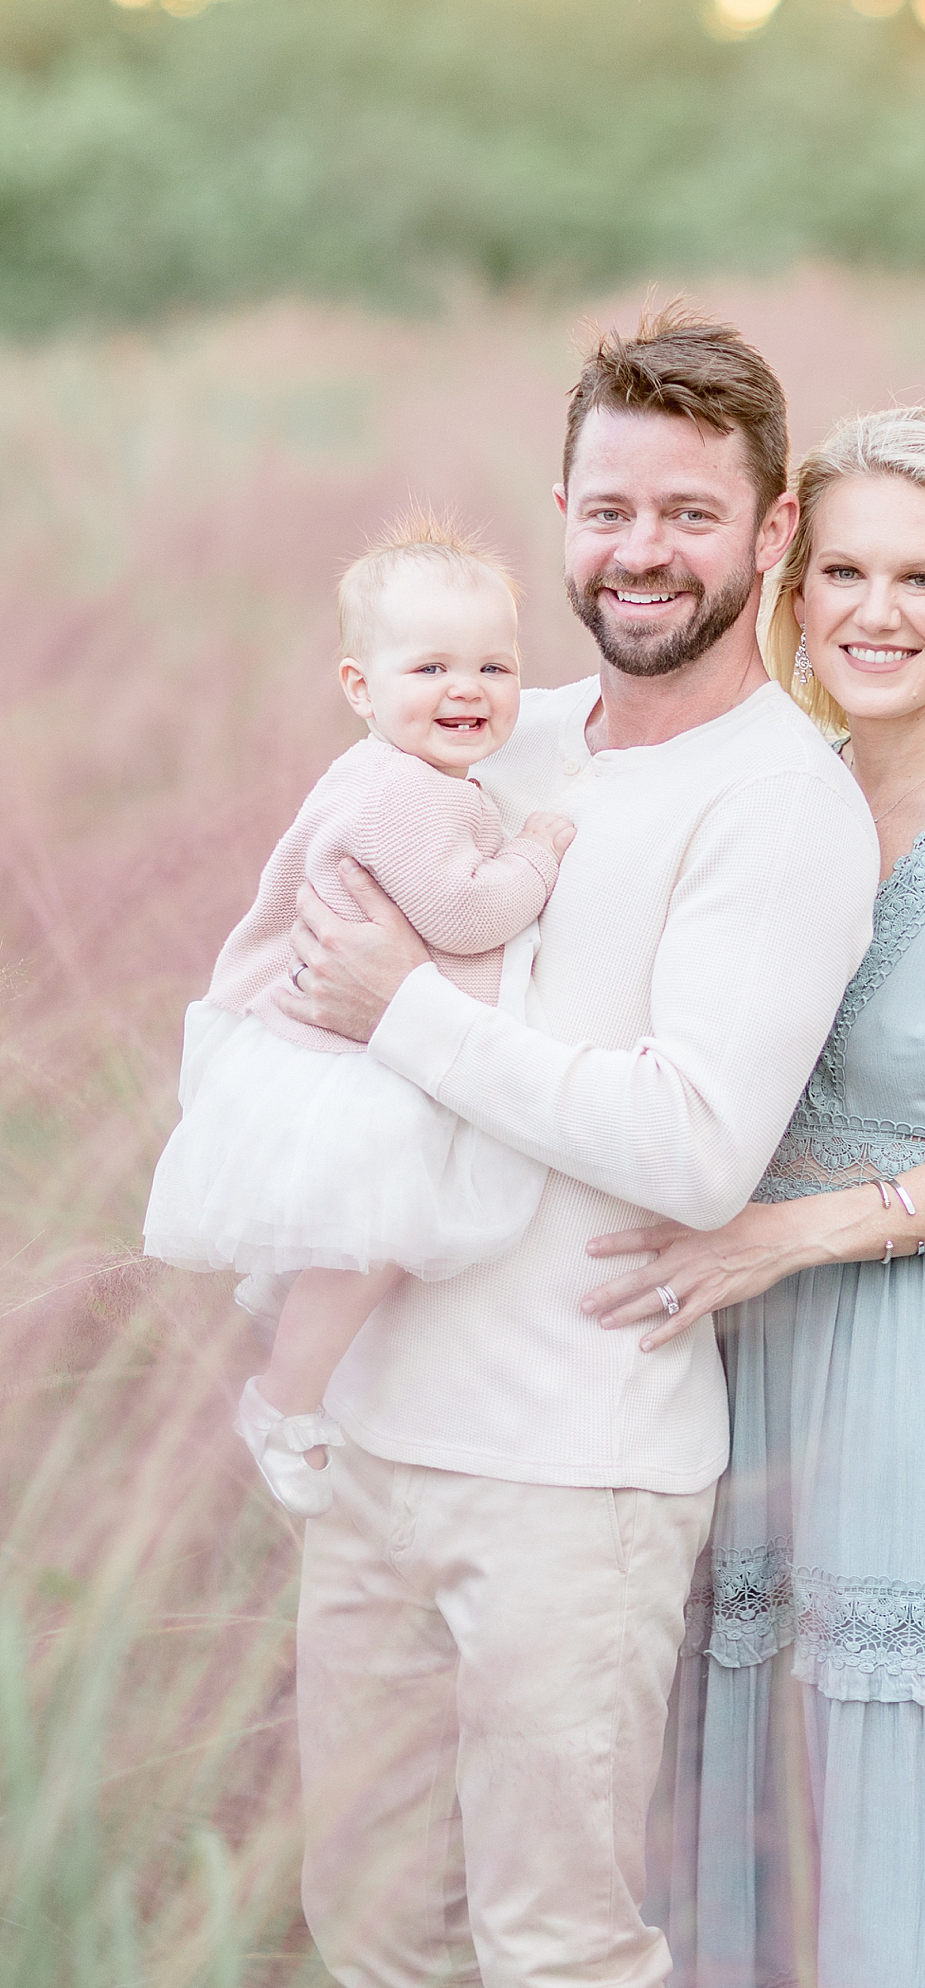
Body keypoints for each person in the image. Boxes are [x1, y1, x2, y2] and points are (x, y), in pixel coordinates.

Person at [265, 306, 881, 1986]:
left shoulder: (787, 802)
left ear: (770, 534)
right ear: (560, 516)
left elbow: (692, 1143)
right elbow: (302, 982)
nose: (640, 549)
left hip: (576, 1471)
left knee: (560, 1947)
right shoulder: (484, 733)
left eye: (690, 512)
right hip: (375, 1437)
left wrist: (406, 1005)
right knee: (373, 1923)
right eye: (608, 507)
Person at [586, 406, 925, 1986]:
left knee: (908, 1797)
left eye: (920, 576)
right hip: (746, 1374)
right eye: (843, 569)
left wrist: (795, 1229)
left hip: (923, 1371)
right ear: (790, 583)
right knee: (754, 1787)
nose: (876, 610)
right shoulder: (783, 791)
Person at [143, 518, 575, 1514]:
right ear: (359, 687)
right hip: (358, 1067)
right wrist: (540, 851)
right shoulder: (409, 797)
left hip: (325, 1055)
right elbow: (468, 911)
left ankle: (294, 1358)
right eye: (429, 666)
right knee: (372, 1243)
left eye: (494, 666)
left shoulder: (386, 773)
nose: (465, 689)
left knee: (357, 1246)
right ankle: (282, 1399)